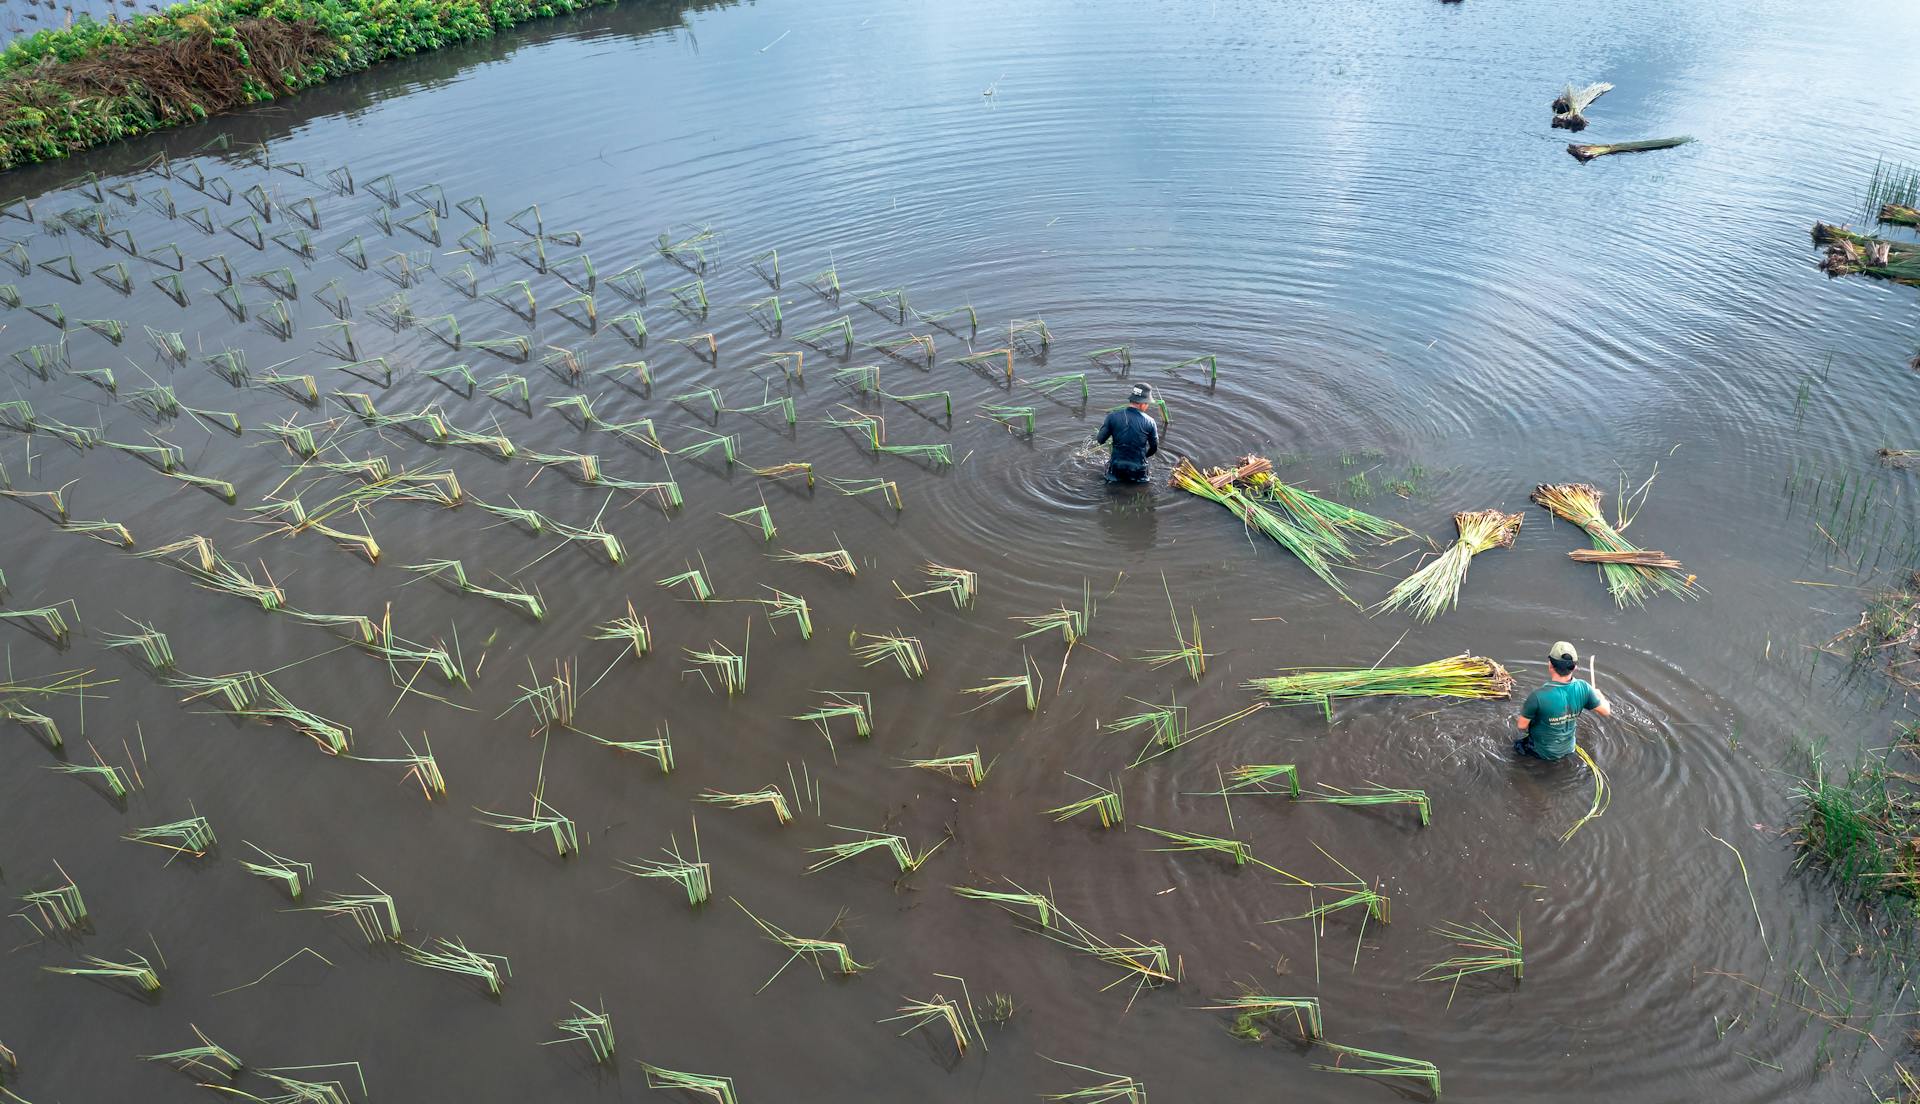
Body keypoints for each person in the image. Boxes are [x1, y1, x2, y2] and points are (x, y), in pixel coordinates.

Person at [1513, 641, 1610, 760]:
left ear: (1550, 664)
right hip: (1569, 748)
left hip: (1542, 752)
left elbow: (1521, 726)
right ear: (1574, 667)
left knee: (1516, 747)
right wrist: (1599, 696)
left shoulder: (1537, 696)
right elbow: (1606, 711)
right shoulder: (1584, 688)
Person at [1095, 383, 1160, 483]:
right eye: (1147, 404)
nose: (1147, 406)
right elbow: (1154, 448)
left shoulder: (1112, 417)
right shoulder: (1150, 422)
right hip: (1139, 471)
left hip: (1116, 468)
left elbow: (1100, 440)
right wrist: (1143, 457)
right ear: (1142, 404)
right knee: (1140, 494)